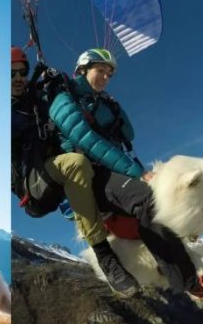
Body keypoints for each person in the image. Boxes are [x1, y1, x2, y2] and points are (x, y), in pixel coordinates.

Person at [47, 48, 203, 295]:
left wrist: (113, 109)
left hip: (111, 174)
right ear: (82, 70)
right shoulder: (63, 100)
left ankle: (197, 265)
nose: (105, 78)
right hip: (88, 178)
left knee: (162, 199)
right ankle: (191, 281)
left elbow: (129, 134)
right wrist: (136, 172)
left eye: (109, 74)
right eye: (100, 71)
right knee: (150, 201)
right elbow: (87, 141)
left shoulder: (101, 103)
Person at [12, 46, 143, 296]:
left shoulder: (36, 96)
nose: (18, 78)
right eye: (10, 73)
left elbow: (129, 134)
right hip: (32, 183)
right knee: (76, 163)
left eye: (22, 72)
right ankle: (104, 256)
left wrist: (111, 106)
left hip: (53, 168)